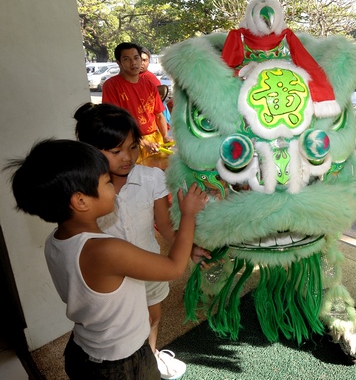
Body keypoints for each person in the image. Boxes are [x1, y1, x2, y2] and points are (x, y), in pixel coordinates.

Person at [4, 138, 208, 379]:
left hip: (84, 349)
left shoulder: (55, 240)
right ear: (81, 201)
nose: (114, 187)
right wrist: (188, 215)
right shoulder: (106, 251)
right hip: (119, 363)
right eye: (108, 182)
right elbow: (174, 268)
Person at [73, 103, 211, 367]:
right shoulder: (85, 190)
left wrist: (189, 247)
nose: (127, 157)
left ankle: (149, 356)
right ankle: (126, 363)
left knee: (152, 316)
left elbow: (164, 225)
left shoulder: (151, 178)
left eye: (133, 146)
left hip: (150, 266)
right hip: (110, 278)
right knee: (119, 326)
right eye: (116, 151)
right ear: (91, 151)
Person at [102, 42, 172, 163]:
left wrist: (165, 136)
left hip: (155, 141)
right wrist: (141, 142)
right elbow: (116, 122)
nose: (133, 62)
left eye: (136, 57)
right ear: (119, 63)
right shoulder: (111, 85)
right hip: (129, 143)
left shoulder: (150, 85)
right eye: (126, 59)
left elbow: (159, 115)